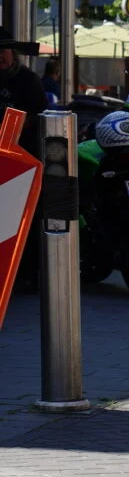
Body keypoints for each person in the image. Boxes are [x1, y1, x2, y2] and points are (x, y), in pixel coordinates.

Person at [0, 30, 48, 291]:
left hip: (22, 160)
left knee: (23, 220)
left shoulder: (28, 81)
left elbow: (41, 116)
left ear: (13, 53)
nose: (0, 56)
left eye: (3, 51)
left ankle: (27, 274)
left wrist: (17, 127)